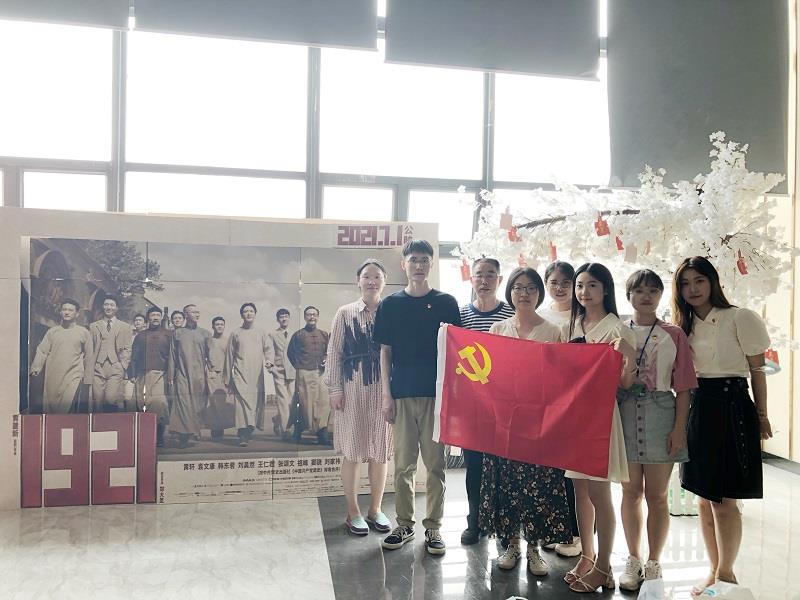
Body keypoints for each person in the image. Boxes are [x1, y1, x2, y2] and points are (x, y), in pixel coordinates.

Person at [673, 256, 772, 595]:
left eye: (699, 280)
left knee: (724, 500)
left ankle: (727, 575)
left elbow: (757, 370)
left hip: (732, 405)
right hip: (699, 406)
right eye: (685, 283)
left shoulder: (739, 317)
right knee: (703, 498)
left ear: (713, 282)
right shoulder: (683, 325)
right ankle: (713, 571)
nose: (693, 289)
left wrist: (762, 414)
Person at [480, 267, 572, 575]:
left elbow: (560, 379)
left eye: (531, 288)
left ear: (539, 293)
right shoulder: (498, 329)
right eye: (518, 287)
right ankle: (512, 545)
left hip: (538, 422)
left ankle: (534, 549)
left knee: (536, 485)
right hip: (505, 421)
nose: (524, 293)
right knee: (507, 484)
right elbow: (488, 376)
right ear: (510, 292)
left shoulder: (553, 331)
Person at [374, 239, 460, 556]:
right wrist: (387, 395)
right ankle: (405, 524)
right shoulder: (391, 305)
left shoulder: (446, 303)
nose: (419, 265)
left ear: (431, 264)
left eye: (424, 260)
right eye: (413, 260)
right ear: (404, 265)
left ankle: (433, 528)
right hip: (402, 394)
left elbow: (457, 352)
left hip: (437, 396)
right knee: (403, 465)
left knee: (436, 465)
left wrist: (453, 397)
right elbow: (385, 353)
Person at [617, 269, 696, 591]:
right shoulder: (618, 331)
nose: (646, 296)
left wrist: (679, 429)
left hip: (662, 411)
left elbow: (685, 387)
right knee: (630, 492)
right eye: (639, 291)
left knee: (658, 495)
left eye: (652, 290)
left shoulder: (673, 334)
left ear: (661, 295)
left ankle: (654, 561)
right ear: (629, 296)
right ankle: (633, 559)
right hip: (625, 412)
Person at [561, 263, 636, 593]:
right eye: (580, 285)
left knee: (599, 493)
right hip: (574, 417)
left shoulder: (617, 329)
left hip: (600, 417)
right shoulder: (572, 324)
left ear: (606, 289)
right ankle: (587, 556)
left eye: (592, 285)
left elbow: (626, 383)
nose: (584, 292)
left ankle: (604, 565)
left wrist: (629, 357)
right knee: (580, 490)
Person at [324, 259, 394, 536]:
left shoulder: (391, 311)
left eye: (377, 276)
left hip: (384, 391)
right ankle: (352, 512)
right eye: (367, 276)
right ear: (358, 280)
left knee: (380, 451)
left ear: (384, 281)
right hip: (352, 389)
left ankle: (375, 509)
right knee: (352, 452)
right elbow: (334, 352)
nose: (372, 281)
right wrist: (335, 389)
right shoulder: (345, 313)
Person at [458, 257, 514, 546]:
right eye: (479, 274)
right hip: (472, 406)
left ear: (499, 280)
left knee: (505, 467)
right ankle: (475, 521)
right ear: (471, 279)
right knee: (475, 466)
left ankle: (505, 526)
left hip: (506, 406)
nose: (484, 280)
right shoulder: (460, 316)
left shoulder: (511, 314)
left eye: (491, 275)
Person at [536, 260, 582, 559]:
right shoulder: (540, 316)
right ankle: (553, 528)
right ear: (546, 285)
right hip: (546, 404)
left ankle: (577, 533)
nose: (560, 287)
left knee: (575, 473)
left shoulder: (583, 315)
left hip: (577, 404)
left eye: (567, 282)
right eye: (554, 282)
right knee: (550, 471)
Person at [30, 298, 93, 414]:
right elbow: (42, 351)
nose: (67, 312)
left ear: (77, 314)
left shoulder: (83, 332)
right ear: (60, 312)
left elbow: (89, 356)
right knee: (52, 408)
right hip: (53, 376)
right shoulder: (52, 332)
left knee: (68, 406)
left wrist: (88, 378)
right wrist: (35, 368)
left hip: (73, 375)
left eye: (70, 310)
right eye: (64, 309)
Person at [225, 303, 274, 447]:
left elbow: (269, 349)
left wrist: (269, 361)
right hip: (240, 373)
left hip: (257, 375)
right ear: (241, 315)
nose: (248, 313)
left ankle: (249, 429)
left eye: (251, 311)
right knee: (242, 404)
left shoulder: (262, 332)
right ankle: (242, 434)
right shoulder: (235, 333)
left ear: (255, 314)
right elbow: (229, 356)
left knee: (254, 404)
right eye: (245, 311)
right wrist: (227, 378)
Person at [167, 304, 210, 449]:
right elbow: (172, 356)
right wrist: (171, 376)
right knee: (183, 405)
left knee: (197, 405)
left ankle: (194, 431)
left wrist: (212, 375)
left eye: (198, 312)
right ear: (185, 314)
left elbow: (211, 357)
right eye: (193, 312)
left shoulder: (205, 334)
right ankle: (183, 436)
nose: (197, 314)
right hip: (182, 375)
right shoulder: (178, 333)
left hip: (199, 376)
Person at [287, 306, 331, 445]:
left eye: (314, 314)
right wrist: (299, 365)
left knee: (323, 403)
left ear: (317, 317)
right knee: (304, 403)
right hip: (304, 372)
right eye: (309, 315)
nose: (312, 317)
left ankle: (322, 432)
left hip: (321, 373)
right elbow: (290, 353)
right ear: (305, 317)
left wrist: (326, 359)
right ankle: (298, 430)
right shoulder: (298, 335)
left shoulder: (324, 334)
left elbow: (329, 351)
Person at [130, 306, 172, 446]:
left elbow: (172, 357)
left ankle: (159, 437)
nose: (155, 317)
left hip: (161, 374)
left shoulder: (168, 335)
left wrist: (171, 375)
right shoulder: (141, 336)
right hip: (142, 374)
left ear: (161, 318)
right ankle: (144, 437)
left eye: (157, 315)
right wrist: (133, 374)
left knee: (159, 404)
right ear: (148, 318)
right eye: (153, 315)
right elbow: (134, 356)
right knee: (141, 404)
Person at [89, 294, 132, 413]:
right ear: (102, 307)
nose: (109, 307)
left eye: (112, 305)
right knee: (97, 400)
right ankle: (98, 423)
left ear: (116, 308)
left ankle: (111, 421)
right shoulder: (94, 326)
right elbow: (90, 347)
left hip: (116, 366)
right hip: (97, 367)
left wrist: (123, 365)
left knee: (110, 398)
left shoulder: (125, 327)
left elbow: (127, 347)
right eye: (106, 305)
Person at [268, 308, 296, 438]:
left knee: (291, 401)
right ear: (277, 320)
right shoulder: (272, 334)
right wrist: (270, 365)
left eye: (286, 316)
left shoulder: (295, 334)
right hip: (278, 370)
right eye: (281, 317)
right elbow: (269, 351)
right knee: (283, 400)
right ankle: (286, 430)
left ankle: (277, 419)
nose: (284, 319)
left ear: (289, 318)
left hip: (293, 370)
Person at [205, 316, 230, 441]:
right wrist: (210, 370)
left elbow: (231, 359)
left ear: (224, 326)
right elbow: (204, 356)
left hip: (225, 375)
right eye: (217, 324)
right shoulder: (209, 340)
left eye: (221, 324)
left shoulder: (228, 341)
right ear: (213, 326)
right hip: (212, 374)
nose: (219, 326)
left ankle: (221, 428)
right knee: (213, 403)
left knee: (223, 403)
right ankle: (215, 430)